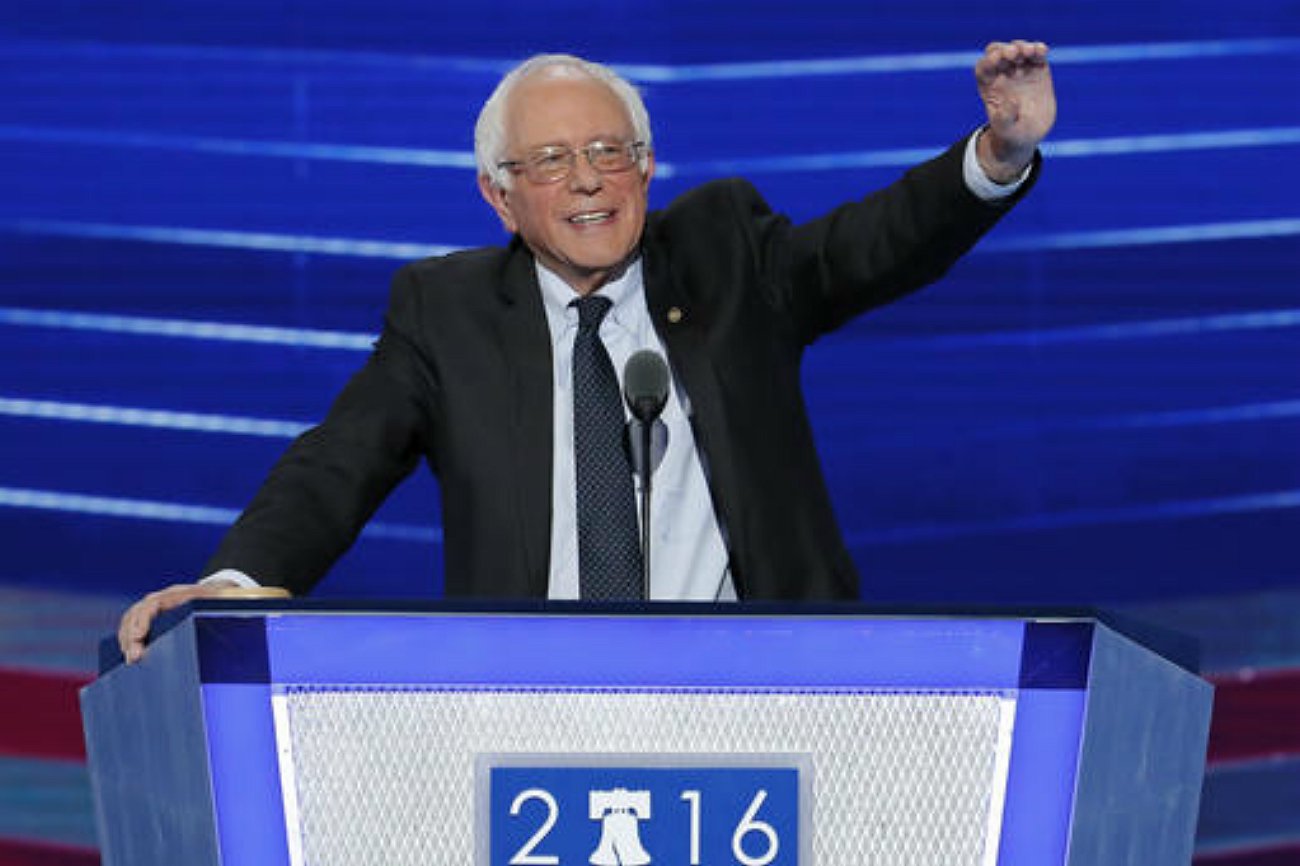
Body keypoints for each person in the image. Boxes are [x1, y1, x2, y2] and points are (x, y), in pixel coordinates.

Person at [118, 41, 1057, 661]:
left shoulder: (729, 254)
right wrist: (233, 583)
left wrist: (996, 154)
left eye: (610, 152)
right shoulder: (446, 312)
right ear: (499, 195)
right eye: (552, 162)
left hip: (766, 689)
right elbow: (339, 461)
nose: (588, 182)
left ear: (646, 167)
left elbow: (873, 242)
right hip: (531, 709)